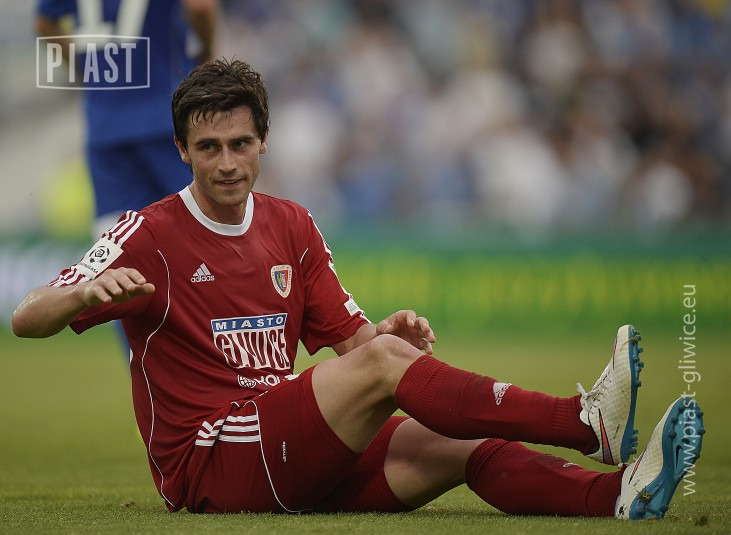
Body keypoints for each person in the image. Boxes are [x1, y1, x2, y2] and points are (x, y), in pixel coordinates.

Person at [12, 59, 704, 520]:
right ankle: (583, 422)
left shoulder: (291, 224)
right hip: (211, 461)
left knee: (461, 443)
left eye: (240, 144)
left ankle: (618, 494)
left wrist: (384, 339)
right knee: (383, 371)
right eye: (208, 147)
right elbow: (25, 317)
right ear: (181, 151)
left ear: (263, 141)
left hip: (288, 448)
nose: (226, 163)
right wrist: (83, 294)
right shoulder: (146, 232)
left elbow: (356, 347)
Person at [35, 0, 218, 357]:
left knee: (117, 258)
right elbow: (201, 8)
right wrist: (206, 55)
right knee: (207, 239)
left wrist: (89, 70)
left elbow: (45, 22)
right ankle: (226, 357)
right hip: (167, 116)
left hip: (105, 130)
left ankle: (143, 365)